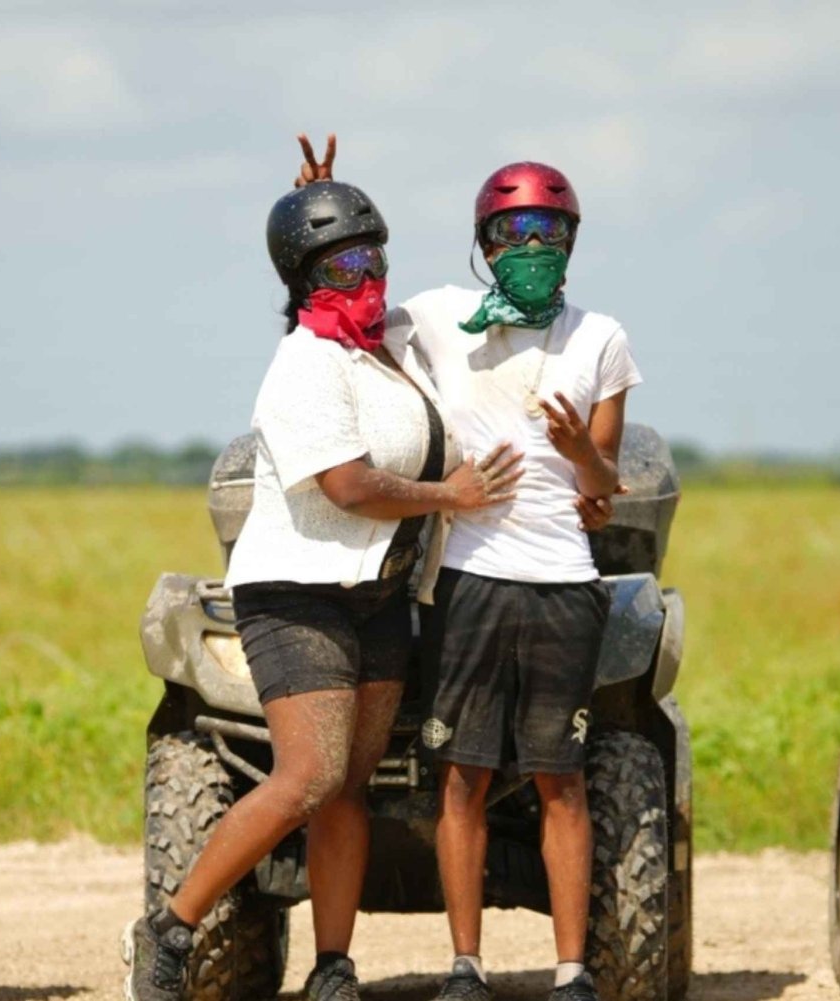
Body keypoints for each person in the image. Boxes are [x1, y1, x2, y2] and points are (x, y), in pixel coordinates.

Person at [123, 178, 524, 1001]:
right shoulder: (303, 362)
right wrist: (451, 497)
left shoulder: (392, 343)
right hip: (296, 593)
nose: (362, 276)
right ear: (304, 281)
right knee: (307, 775)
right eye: (339, 266)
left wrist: (320, 199)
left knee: (349, 786)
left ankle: (333, 965)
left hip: (377, 596)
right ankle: (169, 927)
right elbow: (346, 484)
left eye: (370, 256)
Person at [296, 139, 641, 1001]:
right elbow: (344, 309)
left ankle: (570, 972)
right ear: (485, 242)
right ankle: (466, 967)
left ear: (571, 239)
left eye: (548, 228)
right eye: (513, 229)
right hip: (468, 580)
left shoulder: (600, 337)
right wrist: (319, 216)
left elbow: (606, 479)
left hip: (564, 581)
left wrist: (576, 456)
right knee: (464, 775)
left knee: (561, 777)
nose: (531, 245)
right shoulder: (444, 318)